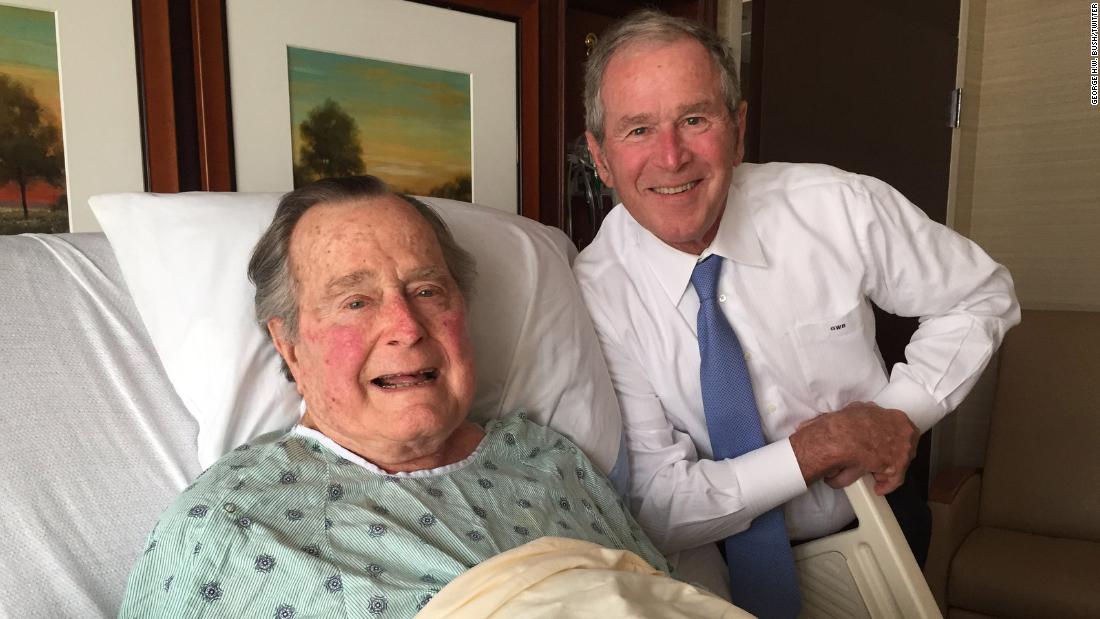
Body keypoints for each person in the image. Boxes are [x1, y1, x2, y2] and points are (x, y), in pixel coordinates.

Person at [572, 9, 1020, 617]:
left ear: (737, 126)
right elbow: (658, 502)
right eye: (638, 130)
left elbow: (982, 294)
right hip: (711, 571)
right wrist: (817, 448)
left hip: (880, 528)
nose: (671, 157)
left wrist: (902, 415)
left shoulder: (834, 206)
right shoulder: (595, 290)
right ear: (600, 156)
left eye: (695, 118)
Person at [117, 176, 679, 617]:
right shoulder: (229, 526)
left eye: (427, 290)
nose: (405, 326)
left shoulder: (548, 460)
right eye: (355, 301)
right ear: (288, 347)